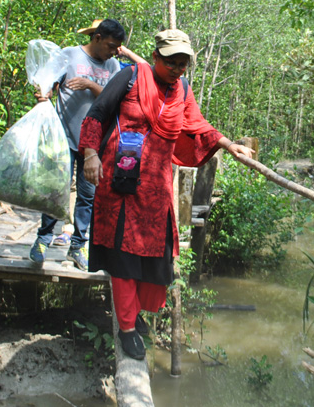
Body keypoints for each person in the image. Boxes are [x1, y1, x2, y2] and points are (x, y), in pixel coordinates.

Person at [79, 29, 254, 360]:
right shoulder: (129, 77)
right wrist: (89, 155)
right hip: (120, 186)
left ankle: (137, 315)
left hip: (156, 190)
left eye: (183, 64)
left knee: (154, 260)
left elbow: (198, 126)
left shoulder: (183, 91)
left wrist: (229, 145)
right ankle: (127, 328)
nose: (177, 69)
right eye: (171, 62)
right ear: (156, 57)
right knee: (123, 259)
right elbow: (96, 115)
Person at [29, 19, 145, 268]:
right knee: (55, 190)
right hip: (64, 137)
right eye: (111, 45)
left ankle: (78, 246)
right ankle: (43, 240)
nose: (114, 52)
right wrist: (44, 92)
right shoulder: (69, 55)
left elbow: (113, 101)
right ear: (97, 38)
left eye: (117, 48)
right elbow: (49, 83)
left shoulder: (114, 65)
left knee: (87, 196)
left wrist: (90, 84)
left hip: (94, 144)